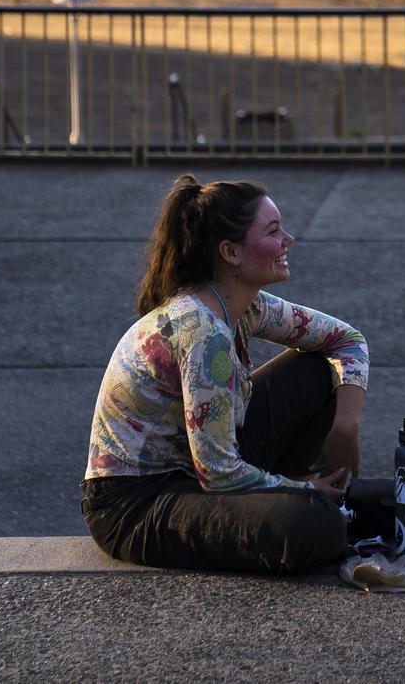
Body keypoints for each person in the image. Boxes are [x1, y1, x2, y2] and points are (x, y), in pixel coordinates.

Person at [81, 174, 368, 574]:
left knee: (315, 370)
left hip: (199, 467)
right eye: (273, 231)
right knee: (315, 524)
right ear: (230, 253)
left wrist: (345, 427)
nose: (289, 240)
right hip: (135, 505)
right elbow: (218, 473)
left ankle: (294, 497)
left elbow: (347, 340)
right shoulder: (202, 333)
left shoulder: (245, 305)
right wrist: (304, 492)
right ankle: (300, 501)